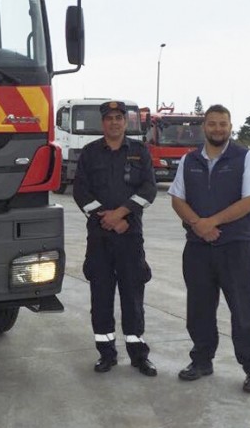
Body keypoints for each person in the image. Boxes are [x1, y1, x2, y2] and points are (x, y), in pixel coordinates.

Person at [168, 104, 250, 393]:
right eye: (212, 124)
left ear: (230, 126)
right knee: (198, 308)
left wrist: (212, 221)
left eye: (223, 124)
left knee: (243, 309)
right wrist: (197, 224)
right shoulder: (189, 161)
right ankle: (201, 360)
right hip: (197, 248)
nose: (217, 129)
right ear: (204, 127)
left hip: (235, 248)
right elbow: (177, 199)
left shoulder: (245, 157)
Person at [74, 100, 158, 376]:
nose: (114, 122)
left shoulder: (139, 151)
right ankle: (106, 353)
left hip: (130, 235)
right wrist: (106, 218)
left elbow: (148, 190)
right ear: (103, 123)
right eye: (109, 118)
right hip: (99, 237)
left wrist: (121, 214)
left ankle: (138, 354)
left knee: (133, 295)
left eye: (118, 118)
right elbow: (81, 192)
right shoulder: (89, 153)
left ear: (126, 122)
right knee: (101, 295)